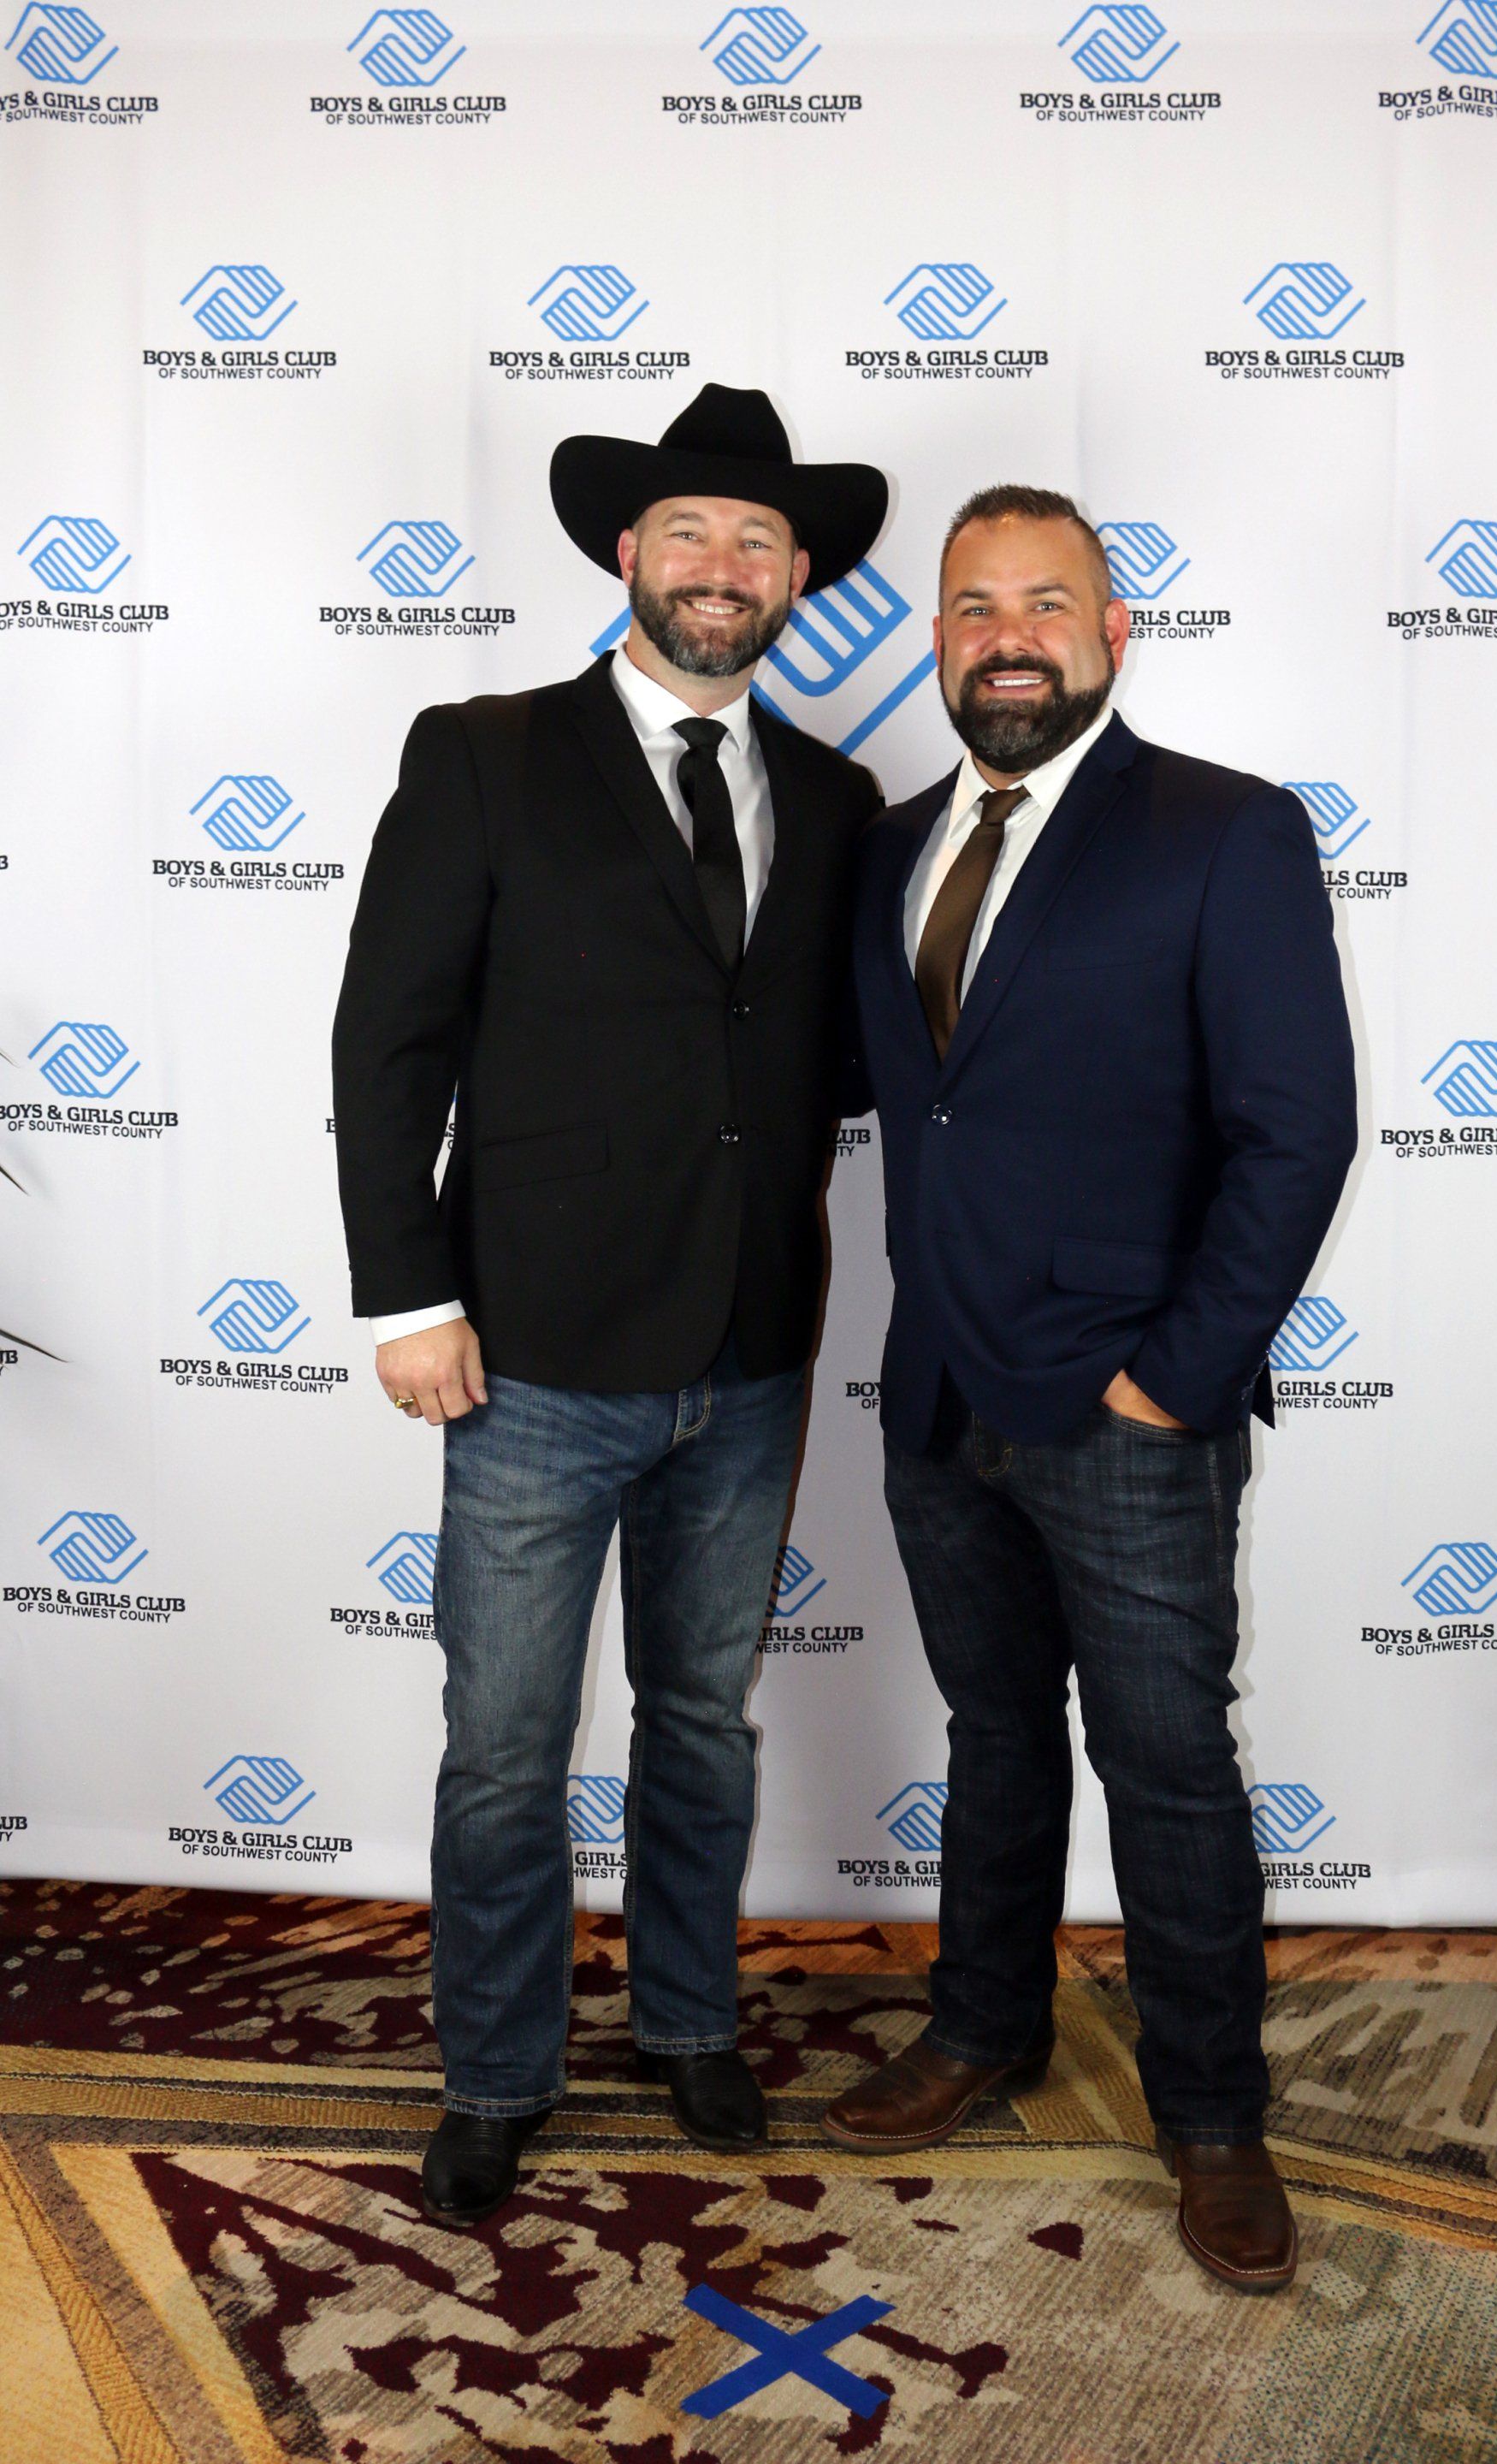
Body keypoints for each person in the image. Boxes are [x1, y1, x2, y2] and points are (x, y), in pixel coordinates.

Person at [332, 386, 886, 2224]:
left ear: (797, 576)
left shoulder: (836, 798)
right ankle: (497, 2074)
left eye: (757, 541)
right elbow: (389, 1042)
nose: (721, 566)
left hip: (751, 1352)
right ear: (628, 553)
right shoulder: (484, 752)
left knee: (702, 1720)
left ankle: (688, 2020)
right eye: (690, 533)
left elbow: (830, 1058)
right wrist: (406, 1297)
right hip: (531, 1359)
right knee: (504, 1747)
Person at [824, 485, 1357, 2293]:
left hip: (1130, 1409)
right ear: (937, 640)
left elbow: (1294, 1132)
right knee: (993, 1739)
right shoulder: (891, 849)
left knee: (1170, 1767)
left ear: (1115, 633)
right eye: (975, 608)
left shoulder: (1224, 829)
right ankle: (986, 2026)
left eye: (1046, 603)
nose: (1009, 638)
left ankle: (1212, 2115)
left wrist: (1171, 1383)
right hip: (937, 1394)